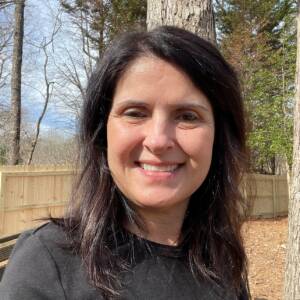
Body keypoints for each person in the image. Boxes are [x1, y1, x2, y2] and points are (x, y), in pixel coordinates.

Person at [0, 26, 250, 300]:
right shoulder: (46, 266)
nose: (157, 140)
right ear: (102, 131)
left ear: (219, 137)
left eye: (188, 116)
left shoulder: (223, 262)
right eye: (135, 113)